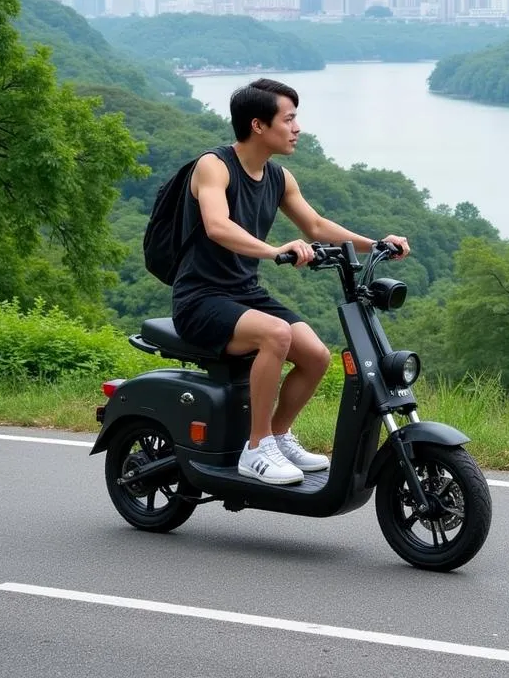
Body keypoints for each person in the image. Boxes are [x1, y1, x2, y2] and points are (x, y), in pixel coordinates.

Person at [171, 77, 410, 486]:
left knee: (316, 356)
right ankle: (256, 447)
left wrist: (374, 243)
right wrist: (274, 250)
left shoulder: (279, 178)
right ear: (258, 125)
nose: (297, 128)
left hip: (244, 294)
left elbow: (315, 225)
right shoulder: (214, 166)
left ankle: (278, 435)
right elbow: (216, 225)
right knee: (276, 335)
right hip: (200, 299)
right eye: (289, 119)